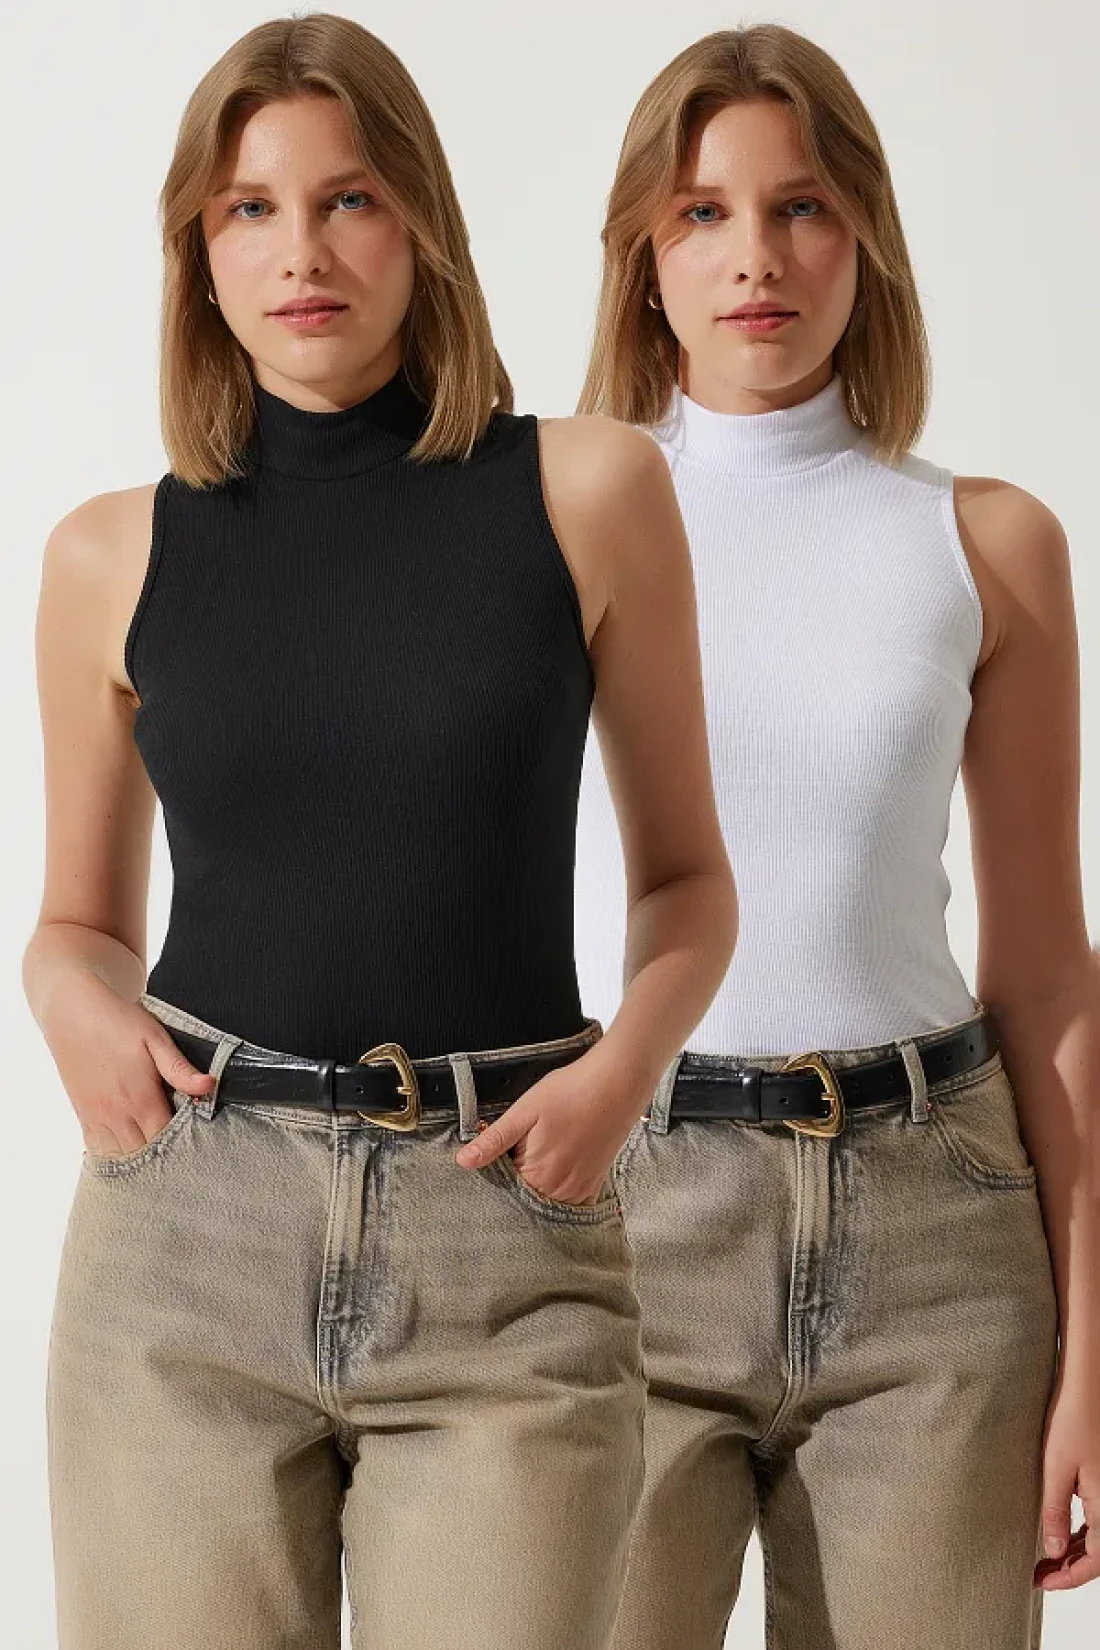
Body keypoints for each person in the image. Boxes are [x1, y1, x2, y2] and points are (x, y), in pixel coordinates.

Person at [24, 15, 736, 1650]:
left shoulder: (588, 492)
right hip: (186, 1241)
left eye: (347, 198)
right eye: (249, 209)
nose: (301, 252)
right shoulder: (105, 556)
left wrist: (623, 1074)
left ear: (420, 220)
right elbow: (77, 920)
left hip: (507, 1235)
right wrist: (65, 998)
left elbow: (691, 882)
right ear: (199, 256)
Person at [573, 22, 1098, 1648]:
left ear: (865, 233)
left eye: (801, 206)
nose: (756, 258)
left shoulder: (985, 542)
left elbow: (1046, 967)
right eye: (702, 213)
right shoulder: (551, 525)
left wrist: (1093, 1344)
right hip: (621, 1213)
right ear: (642, 254)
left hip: (934, 1228)